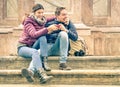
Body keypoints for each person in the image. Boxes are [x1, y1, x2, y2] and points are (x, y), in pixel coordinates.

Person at [17, 3, 57, 84]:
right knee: (35, 52)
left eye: (42, 12)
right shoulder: (28, 22)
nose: (41, 15)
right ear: (34, 13)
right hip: (23, 47)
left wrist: (59, 17)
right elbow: (34, 34)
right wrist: (47, 29)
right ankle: (42, 75)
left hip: (32, 46)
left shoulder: (43, 20)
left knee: (42, 38)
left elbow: (50, 19)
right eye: (39, 13)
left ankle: (35, 68)